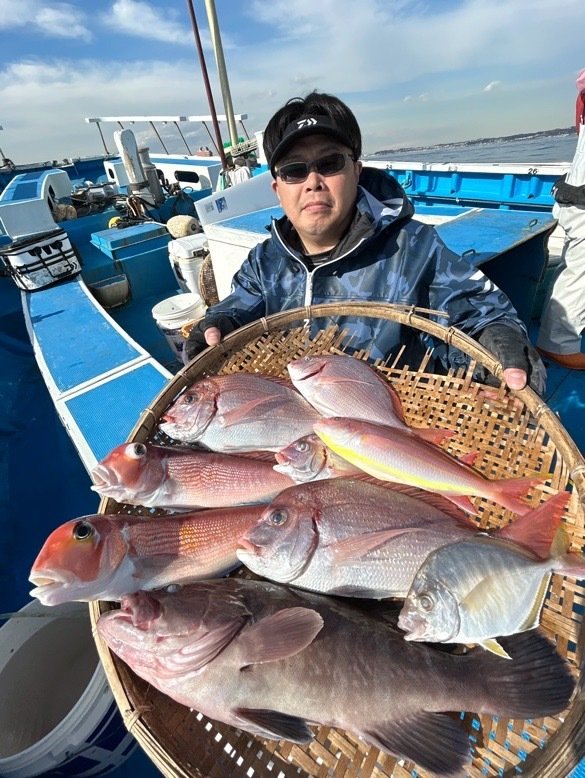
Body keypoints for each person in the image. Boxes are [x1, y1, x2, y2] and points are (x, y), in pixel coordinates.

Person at [185, 91, 545, 393]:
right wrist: (216, 325)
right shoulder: (264, 262)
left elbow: (481, 316)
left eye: (329, 163)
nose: (313, 181)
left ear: (356, 171)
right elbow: (236, 310)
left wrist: (498, 344)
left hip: (396, 420)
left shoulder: (414, 250)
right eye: (295, 170)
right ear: (278, 190)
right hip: (299, 425)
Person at [536, 68, 585, 370]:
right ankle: (557, 343)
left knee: (576, 265)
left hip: (574, 194)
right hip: (581, 200)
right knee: (581, 271)